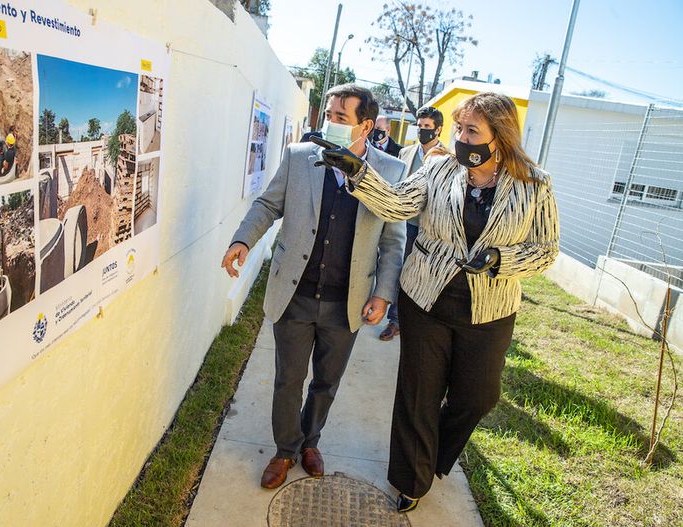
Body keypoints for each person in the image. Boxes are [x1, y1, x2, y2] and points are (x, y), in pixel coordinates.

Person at [311, 92, 559, 512]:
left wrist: (502, 258)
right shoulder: (439, 168)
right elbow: (398, 203)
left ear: (499, 137)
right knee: (419, 393)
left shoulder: (535, 184)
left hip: (490, 308)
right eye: (459, 129)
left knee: (478, 397)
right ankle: (412, 480)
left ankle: (434, 452)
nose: (460, 138)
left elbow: (547, 249)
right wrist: (359, 173)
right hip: (425, 297)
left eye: (471, 131)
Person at [221, 83, 407, 490]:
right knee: (288, 379)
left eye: (341, 118)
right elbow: (269, 204)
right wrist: (242, 240)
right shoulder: (300, 157)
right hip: (295, 293)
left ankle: (311, 441)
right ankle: (286, 450)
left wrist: (382, 293)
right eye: (329, 115)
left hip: (347, 302)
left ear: (366, 126)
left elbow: (394, 242)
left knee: (326, 381)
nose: (331, 124)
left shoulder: (391, 172)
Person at [380, 106, 446, 341]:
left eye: (427, 127)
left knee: (420, 274)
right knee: (398, 269)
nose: (422, 130)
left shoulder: (447, 158)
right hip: (403, 222)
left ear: (438, 129)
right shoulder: (405, 153)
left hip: (428, 227)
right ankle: (395, 321)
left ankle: (418, 320)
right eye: (419, 125)